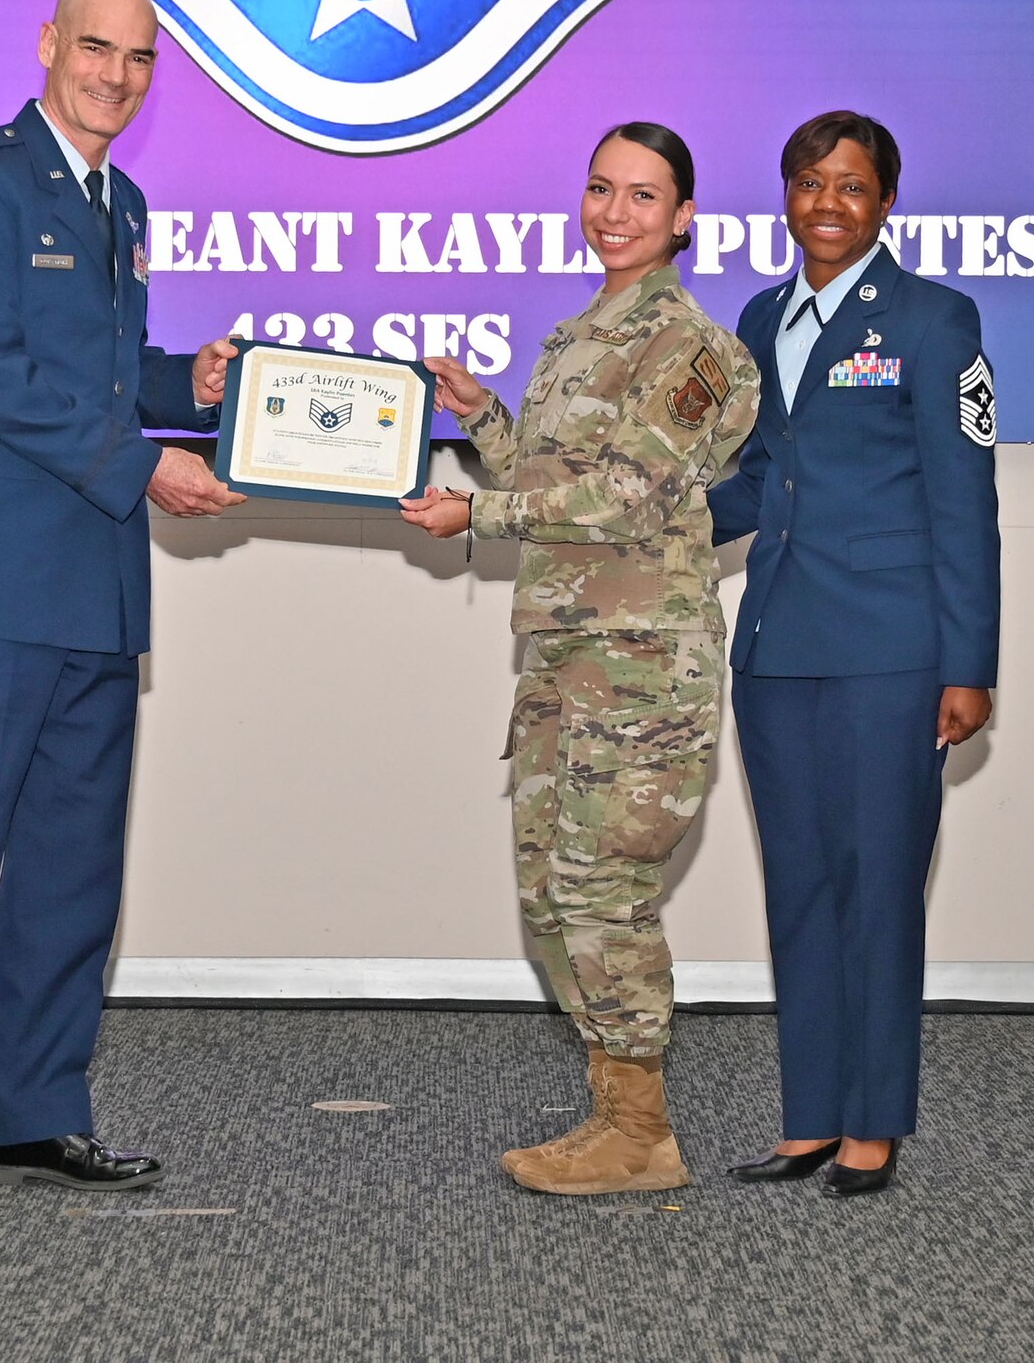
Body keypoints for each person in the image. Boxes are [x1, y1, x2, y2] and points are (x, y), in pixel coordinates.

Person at [0, 0, 243, 1217]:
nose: (115, 76)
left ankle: (37, 1111)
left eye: (138, 60)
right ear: (46, 44)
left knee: (74, 865)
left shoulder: (122, 202)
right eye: (96, 48)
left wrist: (191, 380)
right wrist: (144, 463)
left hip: (93, 583)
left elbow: (97, 370)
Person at [402, 123, 760, 1196]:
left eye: (641, 196)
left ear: (683, 215)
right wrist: (482, 418)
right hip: (565, 657)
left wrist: (479, 508)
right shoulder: (574, 336)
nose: (613, 211)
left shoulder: (694, 350)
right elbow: (559, 478)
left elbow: (625, 495)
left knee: (603, 886)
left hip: (644, 665)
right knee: (552, 892)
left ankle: (641, 1130)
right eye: (599, 187)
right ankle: (613, 1112)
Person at [710, 110, 999, 1198]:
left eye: (849, 185)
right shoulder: (758, 315)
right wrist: (644, 530)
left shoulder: (932, 320)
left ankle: (873, 1120)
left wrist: (967, 663)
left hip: (891, 650)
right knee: (798, 886)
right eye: (805, 182)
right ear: (783, 193)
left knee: (876, 885)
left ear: (883, 203)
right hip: (776, 644)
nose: (824, 203)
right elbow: (749, 482)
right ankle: (809, 1116)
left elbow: (962, 501)